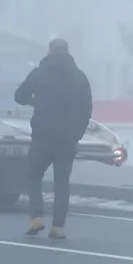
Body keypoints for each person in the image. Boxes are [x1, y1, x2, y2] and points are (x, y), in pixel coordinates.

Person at [14, 38, 92, 239]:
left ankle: (37, 217)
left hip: (43, 135)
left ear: (50, 52)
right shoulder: (80, 77)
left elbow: (19, 96)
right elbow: (87, 110)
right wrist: (78, 133)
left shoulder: (39, 73)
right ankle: (58, 227)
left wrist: (36, 102)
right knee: (62, 182)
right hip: (68, 137)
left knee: (34, 176)